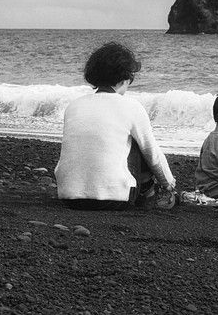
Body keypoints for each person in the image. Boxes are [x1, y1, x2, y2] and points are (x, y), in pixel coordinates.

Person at [55, 42, 177, 210]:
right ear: (125, 78)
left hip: (68, 196)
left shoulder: (74, 106)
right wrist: (169, 184)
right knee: (138, 143)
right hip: (114, 198)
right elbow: (152, 153)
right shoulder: (131, 106)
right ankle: (148, 192)